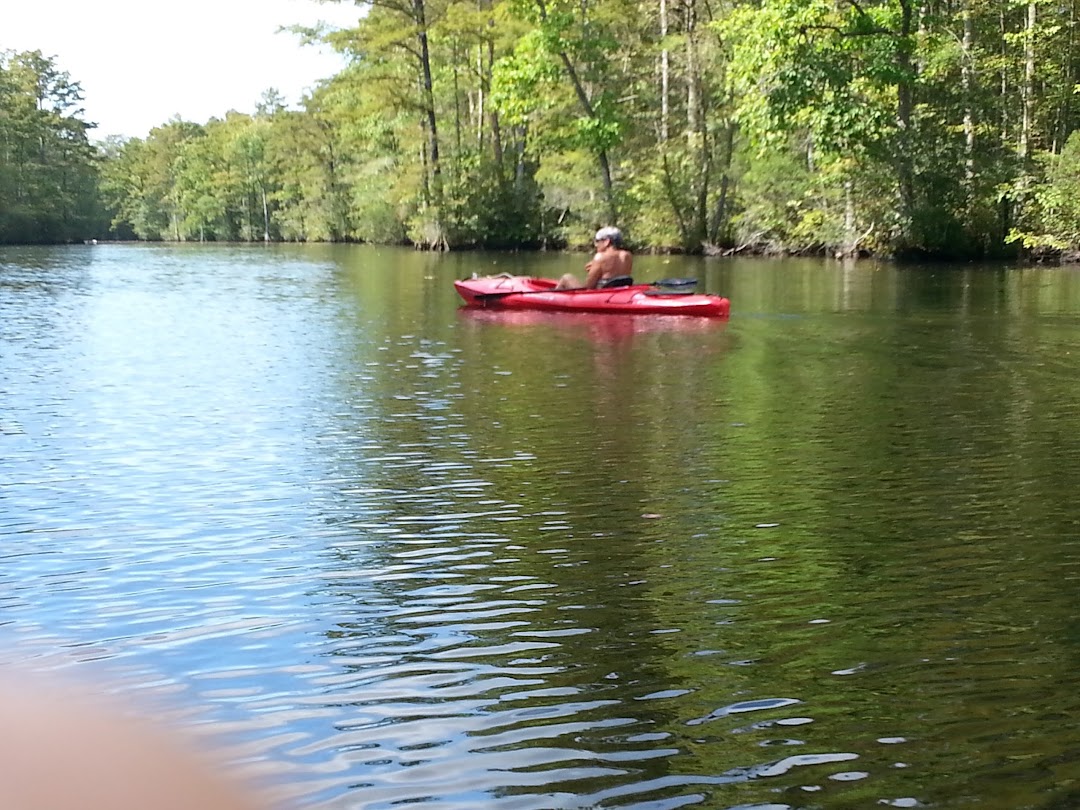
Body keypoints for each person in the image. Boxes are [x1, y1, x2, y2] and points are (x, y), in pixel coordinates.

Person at [555, 226, 633, 290]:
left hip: (600, 295)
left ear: (607, 241)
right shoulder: (628, 255)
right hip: (617, 292)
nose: (596, 245)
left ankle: (551, 298)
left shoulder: (599, 257)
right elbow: (613, 275)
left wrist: (593, 270)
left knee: (566, 277)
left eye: (597, 241)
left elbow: (589, 287)